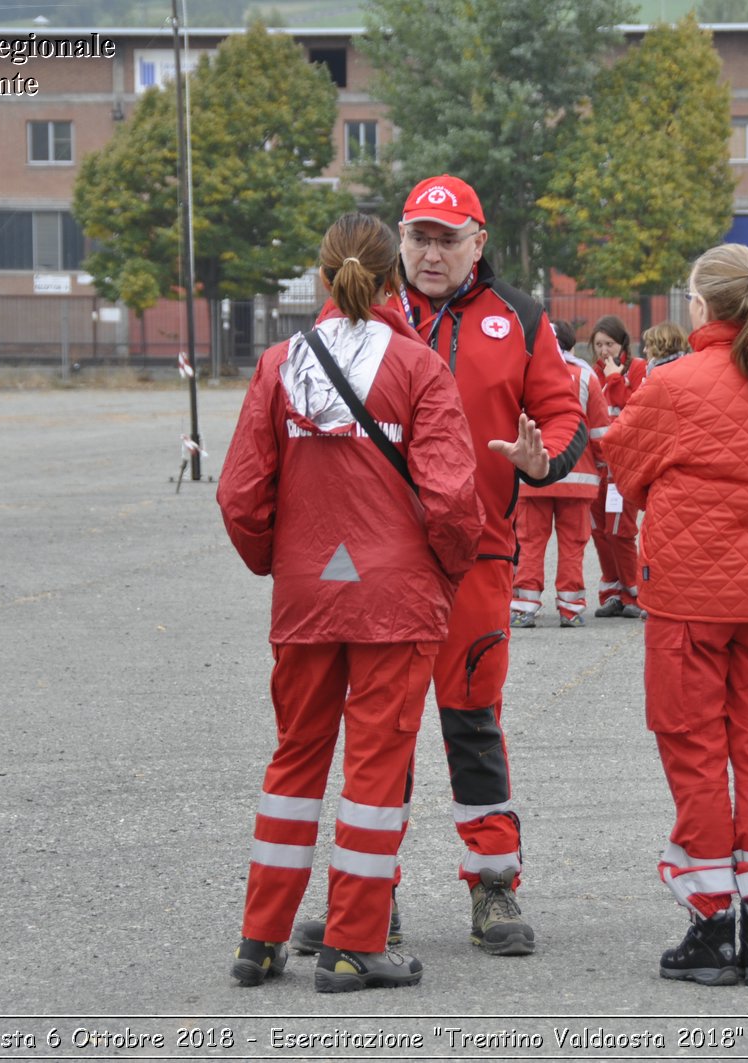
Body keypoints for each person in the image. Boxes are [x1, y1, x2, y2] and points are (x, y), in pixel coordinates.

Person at [292, 174, 586, 958]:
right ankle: (367, 901)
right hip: (380, 561)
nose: (429, 252)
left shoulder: (521, 317)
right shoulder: (358, 313)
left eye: (446, 238)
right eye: (417, 236)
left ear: (477, 244)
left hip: (479, 557)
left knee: (471, 722)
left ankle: (494, 888)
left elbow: (563, 410)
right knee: (378, 731)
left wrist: (544, 456)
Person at [217, 213, 482, 993]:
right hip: (395, 599)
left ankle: (261, 937)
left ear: (322, 276)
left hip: (305, 597)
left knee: (293, 760)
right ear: (394, 274)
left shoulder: (277, 364)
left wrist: (282, 562)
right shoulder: (419, 366)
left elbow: (239, 494)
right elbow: (453, 495)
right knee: (376, 767)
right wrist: (446, 570)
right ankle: (353, 944)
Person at [602, 244, 748, 988]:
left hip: (690, 599)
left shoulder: (671, 385)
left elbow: (624, 469)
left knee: (694, 748)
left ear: (701, 307)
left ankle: (709, 923)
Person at [510, 320, 610, 628]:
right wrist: (604, 466)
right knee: (573, 543)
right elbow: (600, 432)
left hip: (534, 476)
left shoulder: (524, 372)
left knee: (529, 541)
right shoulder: (586, 378)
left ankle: (524, 605)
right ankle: (571, 606)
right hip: (577, 478)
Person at [589, 314, 648, 619]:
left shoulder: (638, 369)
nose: (603, 351)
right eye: (598, 344)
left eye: (609, 343)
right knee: (599, 531)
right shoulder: (590, 374)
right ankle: (612, 591)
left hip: (624, 467)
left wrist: (615, 377)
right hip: (597, 467)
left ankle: (634, 593)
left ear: (622, 343)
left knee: (620, 531)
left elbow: (637, 411)